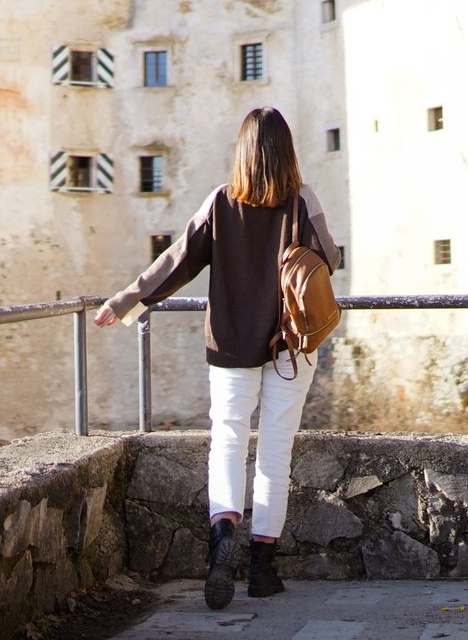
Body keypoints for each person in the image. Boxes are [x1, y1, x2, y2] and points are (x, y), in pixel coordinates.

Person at [94, 106, 340, 609]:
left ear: (242, 151)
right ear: (288, 150)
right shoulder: (301, 199)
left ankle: (223, 532)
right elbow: (329, 260)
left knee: (227, 440)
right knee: (275, 453)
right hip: (291, 345)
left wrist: (123, 302)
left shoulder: (221, 202)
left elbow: (176, 263)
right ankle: (264, 568)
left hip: (230, 343)